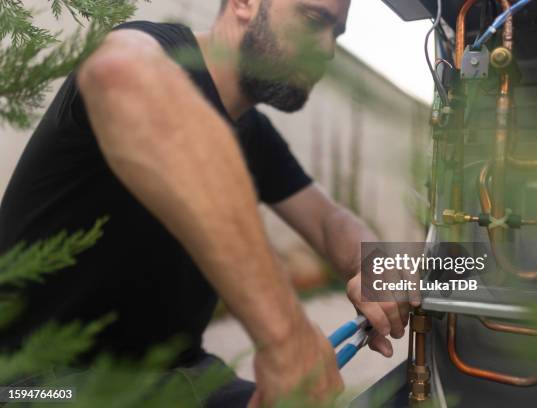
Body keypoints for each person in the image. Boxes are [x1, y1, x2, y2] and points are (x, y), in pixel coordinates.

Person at [0, 0, 416, 406]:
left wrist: (375, 267)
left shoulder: (254, 134)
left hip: (177, 375)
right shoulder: (153, 51)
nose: (327, 49)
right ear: (244, 4)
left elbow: (329, 219)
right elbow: (117, 72)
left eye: (336, 34)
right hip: (35, 383)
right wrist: (285, 333)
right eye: (313, 21)